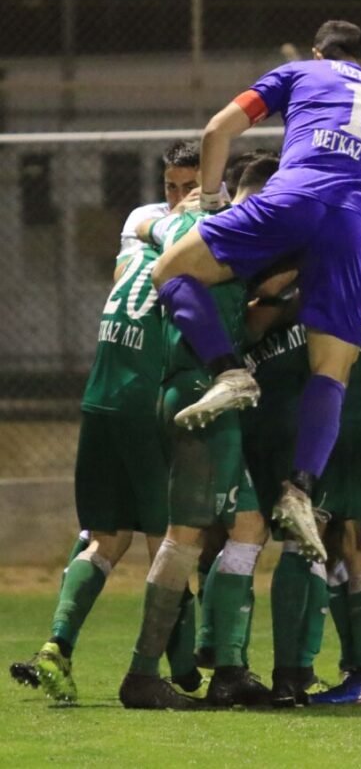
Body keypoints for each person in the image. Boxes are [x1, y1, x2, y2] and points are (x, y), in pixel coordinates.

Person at [149, 20, 361, 562]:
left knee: (170, 273)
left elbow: (216, 132)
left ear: (321, 52)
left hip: (290, 199)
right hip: (351, 226)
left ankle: (229, 371)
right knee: (332, 369)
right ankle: (299, 489)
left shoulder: (300, 71)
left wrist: (208, 199)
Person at [8, 142, 202, 704]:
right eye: (169, 185)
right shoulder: (185, 234)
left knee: (102, 537)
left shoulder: (147, 231)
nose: (176, 196)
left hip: (101, 397)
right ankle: (185, 670)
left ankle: (56, 648)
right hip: (144, 403)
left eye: (187, 185)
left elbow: (129, 270)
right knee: (170, 537)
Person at [119, 155, 280, 710]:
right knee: (185, 536)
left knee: (249, 524)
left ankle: (228, 665)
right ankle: (142, 673)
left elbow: (143, 224)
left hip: (201, 392)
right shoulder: (241, 236)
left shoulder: (181, 224)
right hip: (200, 391)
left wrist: (174, 213)